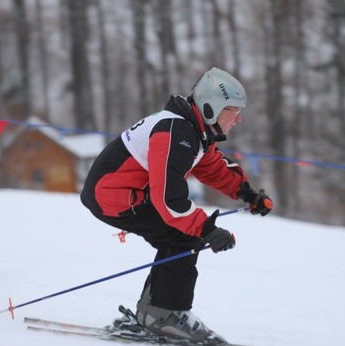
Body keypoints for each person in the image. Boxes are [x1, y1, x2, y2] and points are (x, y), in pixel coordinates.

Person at [80, 67, 272, 343]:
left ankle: (157, 314)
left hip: (127, 192)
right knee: (184, 234)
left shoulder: (192, 130)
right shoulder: (176, 131)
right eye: (234, 110)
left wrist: (248, 194)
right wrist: (206, 230)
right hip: (112, 195)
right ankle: (164, 315)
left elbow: (213, 168)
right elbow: (169, 199)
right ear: (211, 108)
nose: (239, 119)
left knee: (182, 234)